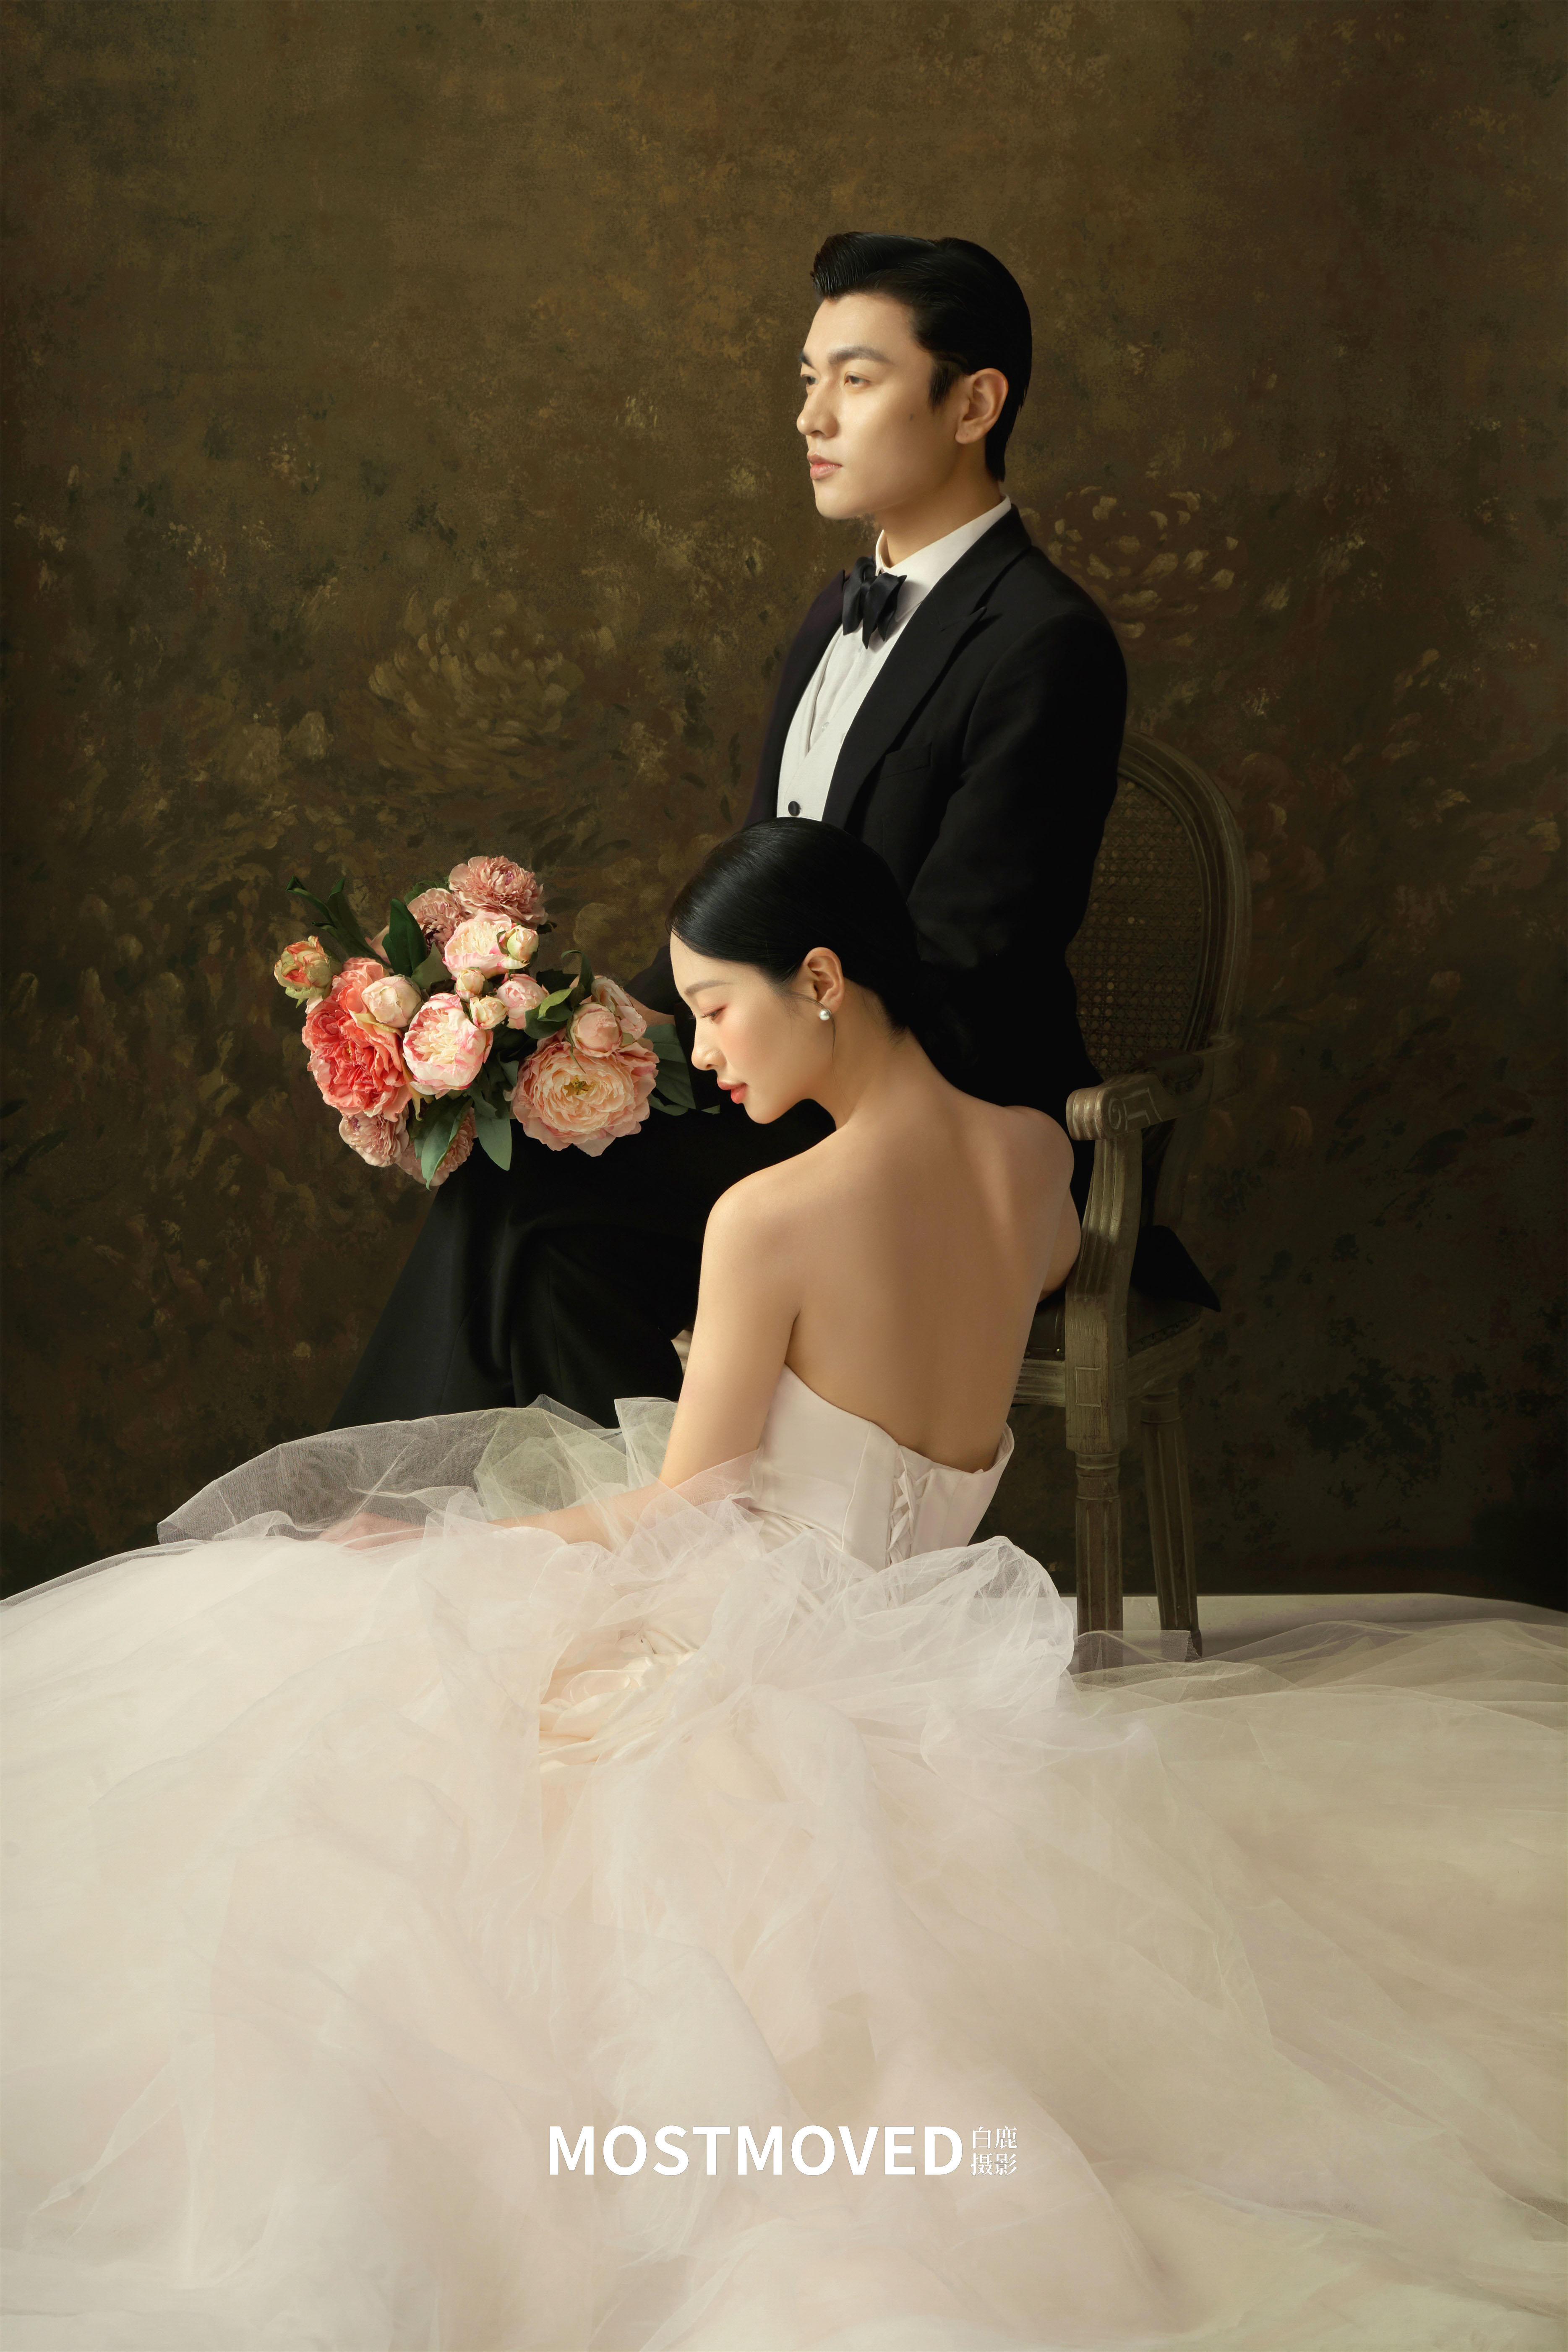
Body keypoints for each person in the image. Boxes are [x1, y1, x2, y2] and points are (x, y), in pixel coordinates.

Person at [3, 823, 1561, 2350]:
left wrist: (447, 1548)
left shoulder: (768, 1216)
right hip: (929, 1653)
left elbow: (688, 1509)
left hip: (766, 1639)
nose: (697, 1051)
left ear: (819, 979)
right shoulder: (1037, 1156)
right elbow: (957, 1336)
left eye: (712, 1006)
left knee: (359, 1714)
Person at [329, 229, 1214, 1439]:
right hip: (784, 1070)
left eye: (856, 379)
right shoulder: (829, 619)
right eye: (808, 380)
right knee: (529, 1204)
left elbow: (970, 954)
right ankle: (664, 1530)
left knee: (520, 1201)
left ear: (973, 405)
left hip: (933, 1115)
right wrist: (595, 1028)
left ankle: (433, 1530)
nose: (812, 416)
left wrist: (719, 1049)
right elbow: (752, 892)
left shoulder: (1045, 641)